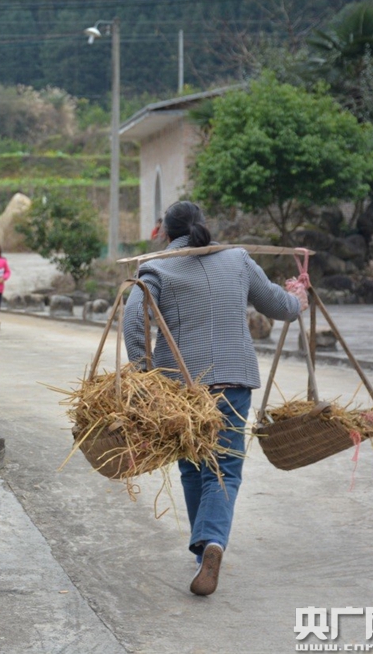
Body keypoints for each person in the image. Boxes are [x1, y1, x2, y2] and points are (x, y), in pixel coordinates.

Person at [123, 200, 307, 597]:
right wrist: (299, 299)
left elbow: (132, 317)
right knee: (223, 466)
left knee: (192, 467)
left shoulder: (155, 267)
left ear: (166, 233)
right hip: (231, 379)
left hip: (180, 388)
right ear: (204, 227)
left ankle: (203, 548)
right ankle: (213, 543)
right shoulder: (237, 259)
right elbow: (279, 305)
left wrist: (143, 373)